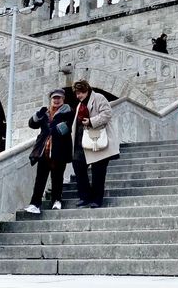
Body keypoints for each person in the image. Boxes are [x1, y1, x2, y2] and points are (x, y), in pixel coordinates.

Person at [71, 80, 120, 208]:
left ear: (87, 90)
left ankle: (97, 199)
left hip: (97, 140)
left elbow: (107, 114)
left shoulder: (98, 98)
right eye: (77, 93)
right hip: (83, 142)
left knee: (98, 172)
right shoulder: (80, 104)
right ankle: (85, 196)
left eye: (81, 92)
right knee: (78, 166)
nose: (79, 96)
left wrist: (91, 121)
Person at [25, 89, 73, 214]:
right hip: (43, 151)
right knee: (40, 179)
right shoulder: (45, 113)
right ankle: (35, 204)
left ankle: (56, 201)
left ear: (63, 100)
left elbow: (66, 129)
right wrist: (38, 115)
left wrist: (53, 128)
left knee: (57, 177)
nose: (56, 100)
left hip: (59, 150)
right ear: (51, 100)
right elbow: (32, 124)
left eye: (59, 98)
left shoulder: (68, 112)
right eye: (54, 98)